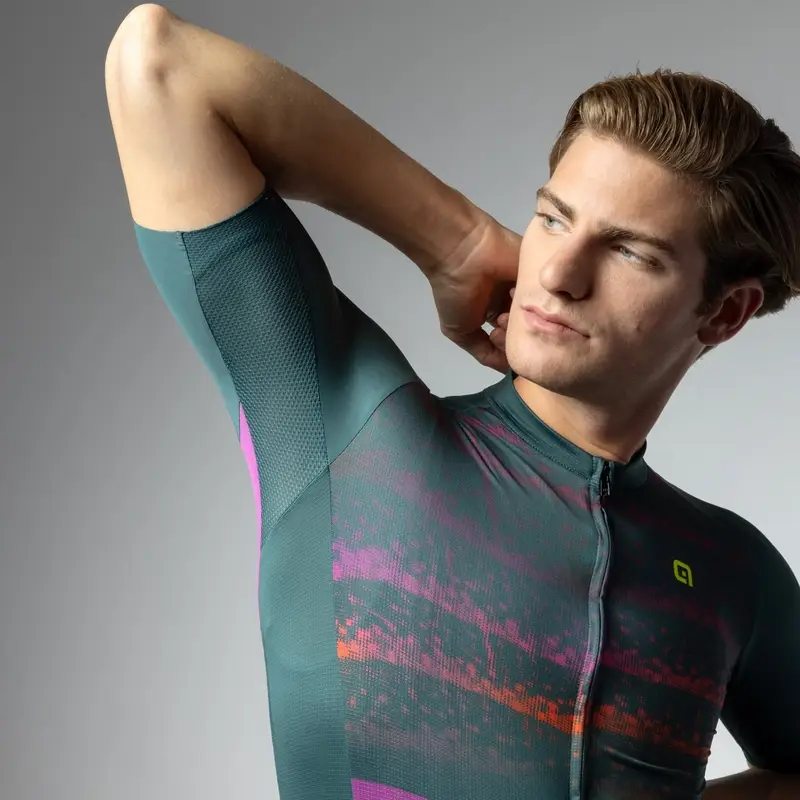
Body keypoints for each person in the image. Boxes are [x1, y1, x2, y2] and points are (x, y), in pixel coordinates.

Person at [104, 5, 800, 799]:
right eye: (552, 218)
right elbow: (159, 65)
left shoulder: (729, 572)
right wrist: (458, 241)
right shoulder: (352, 435)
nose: (558, 273)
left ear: (725, 313)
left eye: (629, 252)